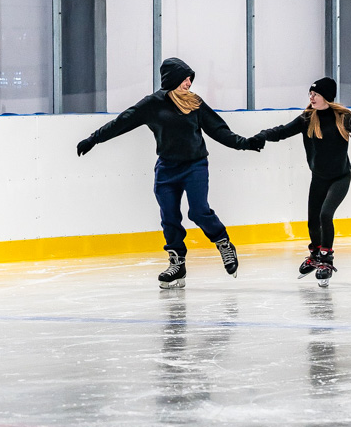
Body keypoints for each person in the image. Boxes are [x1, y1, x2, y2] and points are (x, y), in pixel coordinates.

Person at [77, 57, 264, 288]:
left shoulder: (195, 102)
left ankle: (223, 242)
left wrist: (243, 143)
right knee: (169, 217)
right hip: (166, 169)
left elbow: (218, 129)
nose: (189, 84)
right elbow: (121, 122)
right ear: (173, 80)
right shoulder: (152, 104)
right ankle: (177, 264)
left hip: (195, 165)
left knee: (198, 211)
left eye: (190, 79)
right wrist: (93, 139)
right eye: (185, 79)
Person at [252, 77, 351, 287]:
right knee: (313, 221)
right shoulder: (307, 118)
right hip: (319, 178)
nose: (311, 97)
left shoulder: (343, 118)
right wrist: (262, 136)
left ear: (326, 97)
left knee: (325, 214)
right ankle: (315, 255)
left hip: (340, 177)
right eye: (310, 94)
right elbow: (282, 131)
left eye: (316, 94)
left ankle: (326, 260)